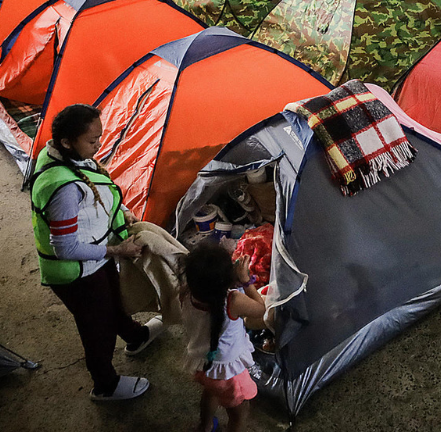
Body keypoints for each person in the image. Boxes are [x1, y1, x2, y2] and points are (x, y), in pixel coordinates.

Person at [30, 103, 164, 401]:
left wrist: (122, 211)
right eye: (92, 140)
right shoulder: (64, 190)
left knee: (113, 301)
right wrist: (117, 250)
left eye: (100, 137)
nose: (99, 145)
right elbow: (65, 247)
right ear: (67, 142)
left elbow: (97, 191)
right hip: (76, 271)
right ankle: (105, 385)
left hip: (95, 258)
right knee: (97, 326)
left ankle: (136, 337)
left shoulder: (65, 156)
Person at [182, 241, 267, 432]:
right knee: (239, 413)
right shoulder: (233, 301)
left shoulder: (186, 292)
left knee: (210, 392)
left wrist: (228, 280)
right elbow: (261, 309)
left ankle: (204, 426)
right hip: (228, 374)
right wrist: (246, 281)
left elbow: (210, 287)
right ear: (226, 281)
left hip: (202, 365)